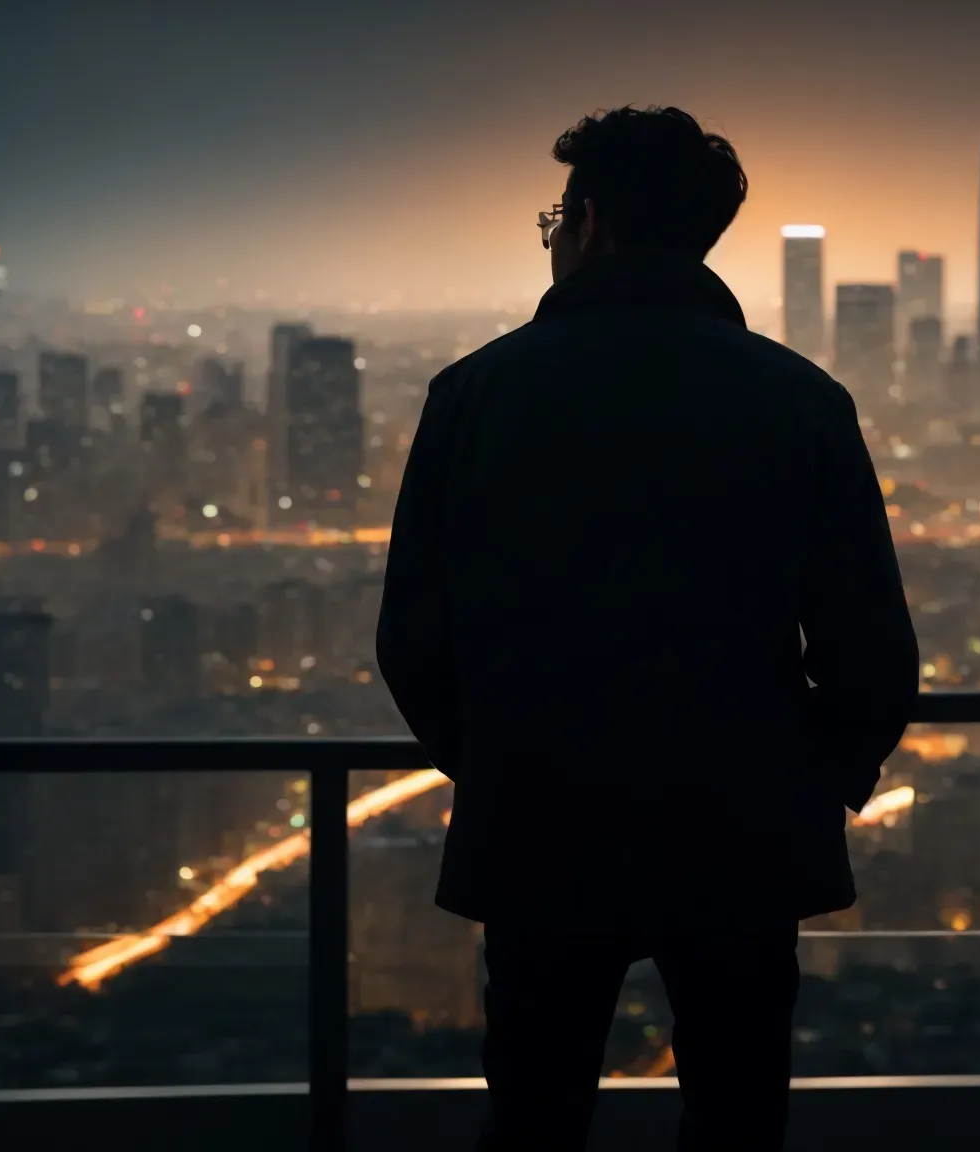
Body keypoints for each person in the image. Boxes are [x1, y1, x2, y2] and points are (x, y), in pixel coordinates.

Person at [376, 105, 918, 1151]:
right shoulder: (800, 401)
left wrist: (499, 762)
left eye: (555, 216)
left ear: (589, 222)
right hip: (742, 827)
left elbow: (413, 637)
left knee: (534, 1118)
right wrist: (811, 782)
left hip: (541, 819)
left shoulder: (477, 394)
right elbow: (869, 650)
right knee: (737, 1118)